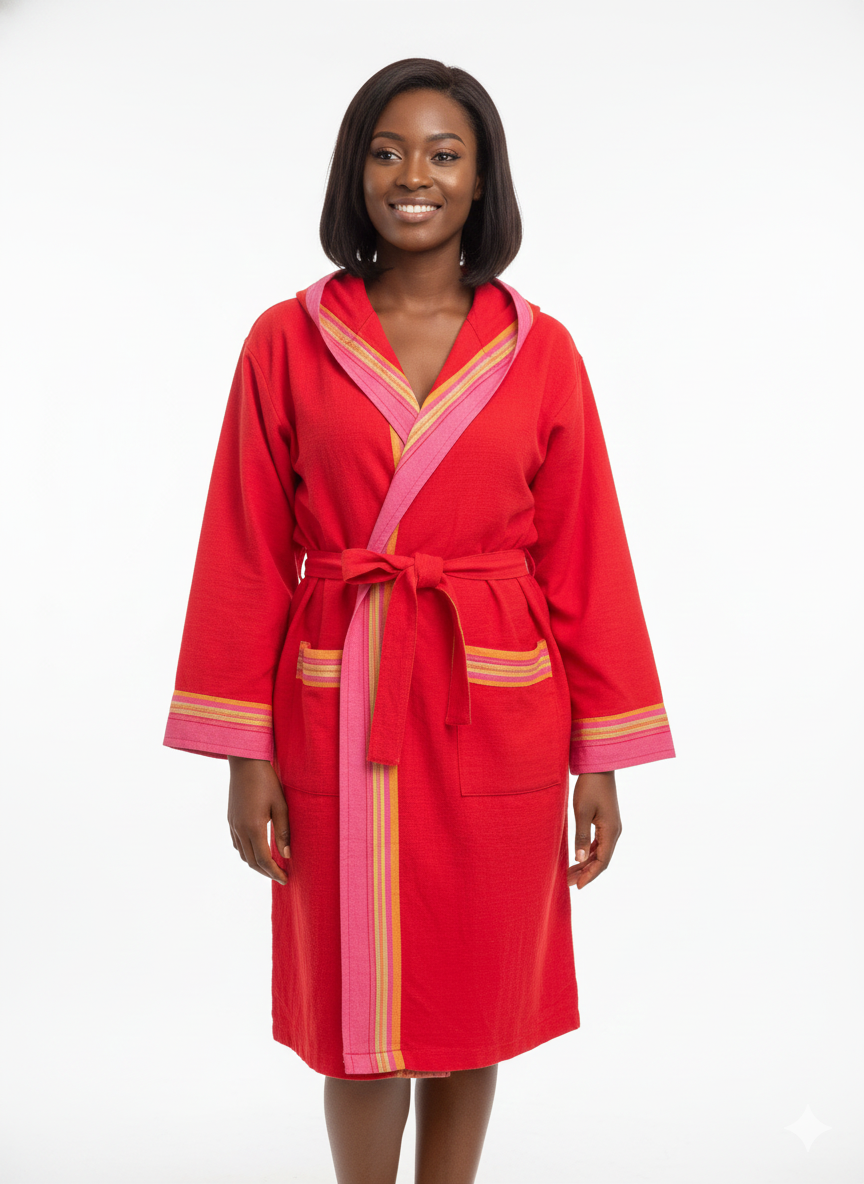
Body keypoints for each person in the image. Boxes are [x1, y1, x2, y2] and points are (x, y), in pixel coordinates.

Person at [163, 57, 675, 1184]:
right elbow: (245, 549)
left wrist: (601, 758)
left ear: (483, 181)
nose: (415, 176)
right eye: (389, 152)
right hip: (339, 698)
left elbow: (586, 552)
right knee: (356, 1004)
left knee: (472, 1000)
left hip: (496, 707)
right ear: (355, 172)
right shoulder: (287, 339)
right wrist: (244, 752)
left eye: (445, 154)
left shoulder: (541, 348)